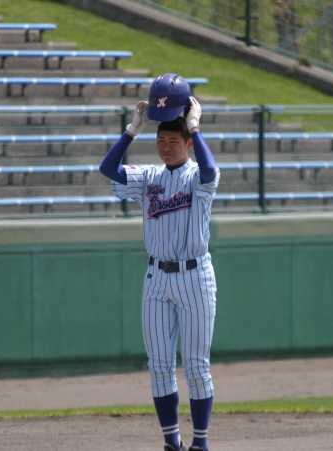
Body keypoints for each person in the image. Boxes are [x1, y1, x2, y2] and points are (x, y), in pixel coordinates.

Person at [99, 73, 219, 451]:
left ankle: (200, 444)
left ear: (187, 143)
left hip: (195, 276)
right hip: (156, 278)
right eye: (161, 141)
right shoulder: (148, 176)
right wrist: (132, 130)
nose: (166, 147)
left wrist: (195, 127)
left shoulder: (198, 176)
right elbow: (108, 170)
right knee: (159, 367)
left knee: (196, 366)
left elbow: (211, 171)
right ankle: (172, 443)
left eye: (174, 141)